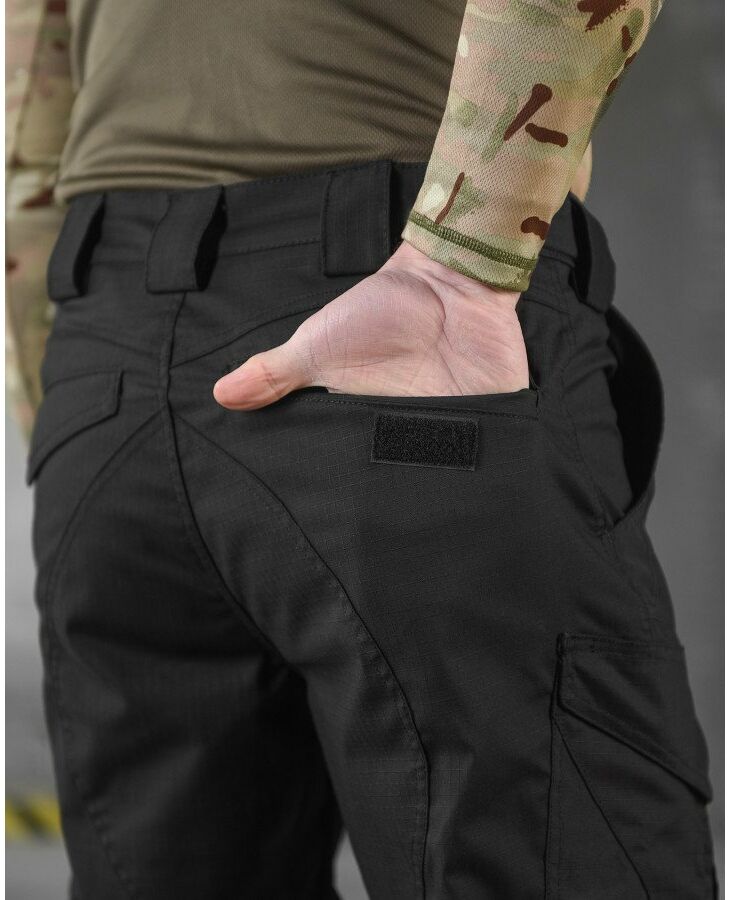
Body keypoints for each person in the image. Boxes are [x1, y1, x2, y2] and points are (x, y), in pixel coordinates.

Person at [18, 0, 715, 896]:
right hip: (399, 307)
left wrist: (59, 371)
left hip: (106, 351)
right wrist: (466, 260)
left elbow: (32, 60)